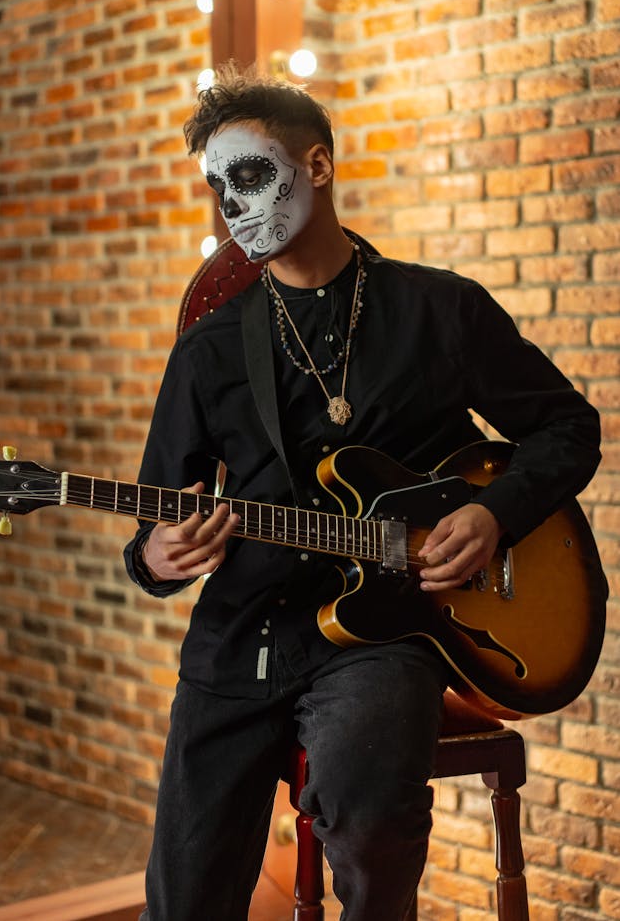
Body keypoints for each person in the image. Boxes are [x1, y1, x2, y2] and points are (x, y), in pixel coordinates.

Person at [124, 65, 601, 921]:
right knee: (184, 893)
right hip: (247, 631)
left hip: (386, 633)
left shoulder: (440, 311)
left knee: (376, 826)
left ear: (317, 166)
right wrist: (157, 556)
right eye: (216, 189)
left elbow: (570, 426)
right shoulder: (210, 349)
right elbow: (158, 521)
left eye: (251, 175)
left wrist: (495, 512)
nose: (233, 207)